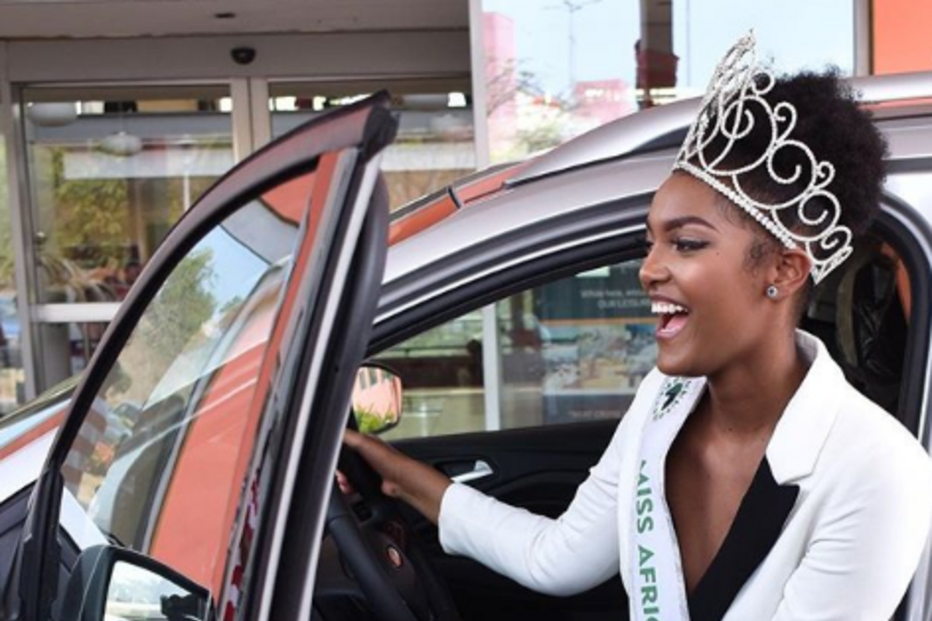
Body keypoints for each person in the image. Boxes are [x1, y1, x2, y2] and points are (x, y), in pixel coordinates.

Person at [344, 32, 932, 620]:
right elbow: (558, 557)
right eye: (650, 242)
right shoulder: (665, 400)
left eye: (687, 243)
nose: (649, 269)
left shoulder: (877, 470)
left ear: (783, 268)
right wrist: (400, 478)